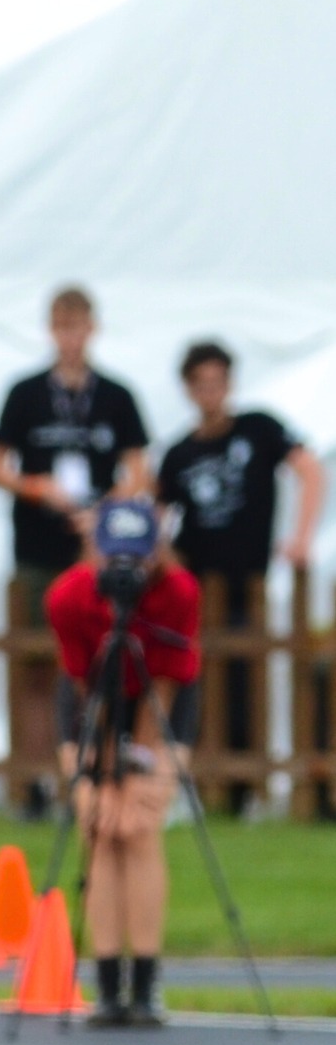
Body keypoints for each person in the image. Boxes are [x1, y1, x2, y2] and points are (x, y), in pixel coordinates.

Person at [0, 288, 151, 812]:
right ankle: (38, 776)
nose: (71, 336)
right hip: (38, 546)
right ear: (51, 330)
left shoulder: (116, 395)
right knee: (36, 663)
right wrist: (38, 489)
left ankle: (94, 765)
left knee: (94, 662)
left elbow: (139, 467)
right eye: (62, 326)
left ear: (92, 329)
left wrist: (105, 511)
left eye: (78, 327)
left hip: (95, 551)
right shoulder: (26, 392)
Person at [47, 499, 199, 1028]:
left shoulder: (178, 592)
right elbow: (84, 689)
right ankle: (108, 981)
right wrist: (95, 775)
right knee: (100, 825)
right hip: (93, 705)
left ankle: (147, 980)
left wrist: (140, 768)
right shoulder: (69, 597)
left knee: (139, 825)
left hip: (160, 704)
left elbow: (169, 682)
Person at [159, 339, 326, 809]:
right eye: (202, 383)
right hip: (196, 586)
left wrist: (302, 535)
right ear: (189, 389)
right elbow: (156, 516)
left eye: (219, 381)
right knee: (194, 682)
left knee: (243, 685)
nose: (212, 392)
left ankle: (240, 789)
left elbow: (310, 469)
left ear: (230, 384)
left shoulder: (259, 429)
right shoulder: (179, 453)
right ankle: (195, 782)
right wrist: (171, 567)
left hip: (246, 583)